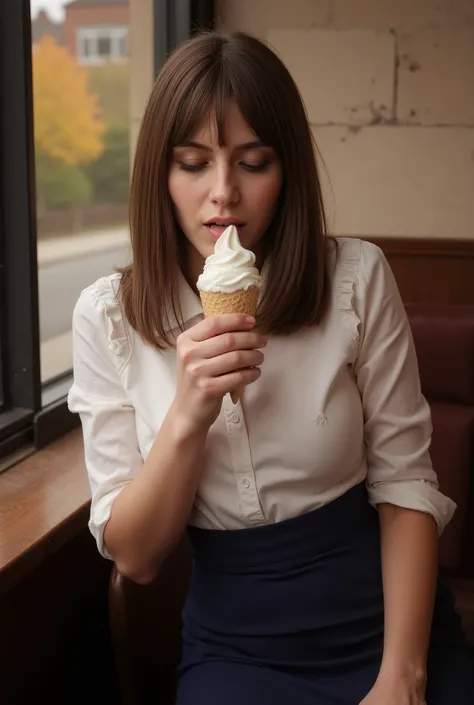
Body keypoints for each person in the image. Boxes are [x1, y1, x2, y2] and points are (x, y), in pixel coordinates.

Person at [68, 31, 474, 705]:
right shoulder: (108, 316)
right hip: (236, 645)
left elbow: (406, 484)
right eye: (192, 163)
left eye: (253, 162)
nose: (222, 194)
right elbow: (136, 558)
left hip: (388, 621)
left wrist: (402, 676)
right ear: (159, 176)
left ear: (286, 172)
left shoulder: (356, 277)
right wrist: (189, 412)